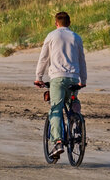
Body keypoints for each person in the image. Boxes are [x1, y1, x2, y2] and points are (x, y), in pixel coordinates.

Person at [34, 11, 87, 157]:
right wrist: (83, 80)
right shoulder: (76, 37)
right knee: (71, 103)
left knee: (56, 109)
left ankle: (58, 142)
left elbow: (44, 58)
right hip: (74, 77)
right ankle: (76, 123)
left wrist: (38, 77)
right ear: (69, 23)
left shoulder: (51, 36)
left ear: (56, 23)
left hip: (57, 77)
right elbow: (82, 59)